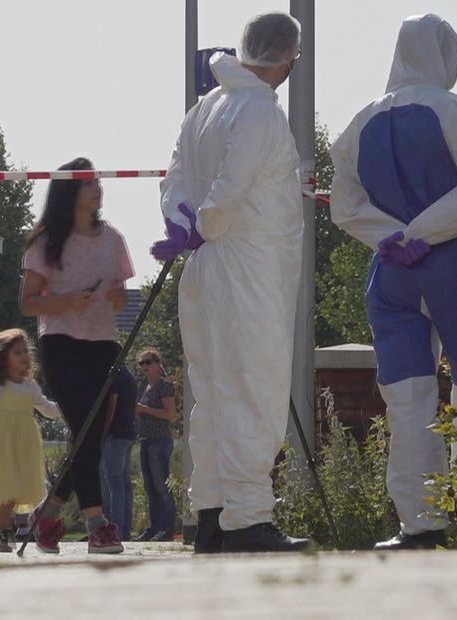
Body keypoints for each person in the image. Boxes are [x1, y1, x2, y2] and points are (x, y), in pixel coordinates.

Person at [329, 13, 457, 550]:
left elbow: (344, 208)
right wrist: (424, 232)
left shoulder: (357, 124)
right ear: (441, 55)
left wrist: (395, 236)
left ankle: (418, 524)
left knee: (406, 397)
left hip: (392, 273)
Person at [151, 11, 310, 553]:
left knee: (214, 396)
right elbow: (231, 187)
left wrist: (181, 226)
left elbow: (174, 178)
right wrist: (206, 224)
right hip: (249, 270)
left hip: (205, 270)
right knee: (254, 388)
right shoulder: (259, 111)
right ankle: (249, 520)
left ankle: (212, 517)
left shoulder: (205, 108)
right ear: (287, 55)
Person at [20, 156, 134, 554]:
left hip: (104, 343)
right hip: (61, 343)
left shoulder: (114, 239)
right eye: (88, 182)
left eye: (98, 181)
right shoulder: (46, 242)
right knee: (85, 425)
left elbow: (119, 298)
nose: (97, 188)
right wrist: (67, 300)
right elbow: (28, 303)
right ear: (70, 190)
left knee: (90, 436)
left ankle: (49, 512)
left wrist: (118, 298)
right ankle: (97, 523)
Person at [0, 329, 61, 553]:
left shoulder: (29, 385)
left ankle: (14, 527)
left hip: (25, 440)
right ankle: (0, 533)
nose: (24, 356)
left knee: (20, 486)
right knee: (7, 488)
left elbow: (47, 408)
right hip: (1, 438)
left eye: (25, 351)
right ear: (3, 356)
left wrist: (69, 407)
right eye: (17, 352)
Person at [132, 350, 176, 543]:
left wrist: (144, 409)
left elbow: (170, 414)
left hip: (159, 441)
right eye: (141, 363)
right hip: (146, 440)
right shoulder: (147, 388)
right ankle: (154, 527)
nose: (144, 367)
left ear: (158, 363)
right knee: (151, 487)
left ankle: (167, 528)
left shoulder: (164, 386)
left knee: (162, 486)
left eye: (148, 362)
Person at [100, 365, 137, 541]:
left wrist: (103, 432)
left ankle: (115, 529)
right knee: (124, 484)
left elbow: (111, 405)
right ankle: (125, 528)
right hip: (128, 433)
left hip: (115, 435)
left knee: (113, 485)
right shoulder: (130, 376)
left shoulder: (114, 374)